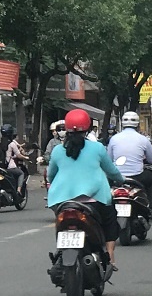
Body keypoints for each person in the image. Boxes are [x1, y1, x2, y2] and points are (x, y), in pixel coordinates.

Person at [47, 109, 123, 270]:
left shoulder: (57, 151)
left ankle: (61, 252)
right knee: (110, 220)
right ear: (88, 128)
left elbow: (50, 176)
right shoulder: (97, 148)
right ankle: (109, 256)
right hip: (93, 200)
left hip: (61, 201)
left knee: (61, 225)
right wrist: (120, 180)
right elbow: (111, 171)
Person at [107, 111, 152, 216]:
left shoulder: (113, 139)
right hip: (138, 177)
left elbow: (109, 159)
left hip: (116, 176)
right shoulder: (143, 139)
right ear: (137, 124)